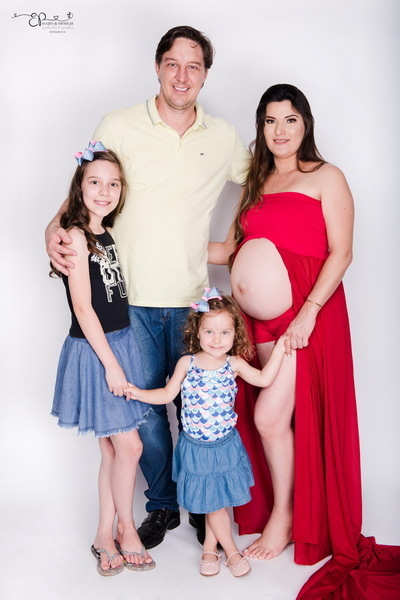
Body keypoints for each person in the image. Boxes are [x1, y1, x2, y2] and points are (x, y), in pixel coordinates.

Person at [45, 25, 249, 549]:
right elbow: (84, 189)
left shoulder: (223, 136)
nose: (182, 76)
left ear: (205, 74)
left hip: (192, 300)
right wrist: (51, 230)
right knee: (146, 412)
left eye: (193, 66)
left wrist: (236, 243)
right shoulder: (118, 124)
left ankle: (203, 503)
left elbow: (264, 182)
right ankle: (161, 505)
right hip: (128, 304)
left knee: (196, 408)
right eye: (173, 64)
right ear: (157, 67)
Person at [208, 84, 400, 598]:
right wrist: (160, 244)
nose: (280, 130)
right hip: (258, 326)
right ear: (261, 127)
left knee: (270, 418)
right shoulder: (256, 183)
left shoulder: (327, 176)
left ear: (305, 124)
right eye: (270, 121)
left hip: (304, 316)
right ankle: (290, 509)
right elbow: (229, 250)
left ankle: (286, 518)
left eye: (290, 119)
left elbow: (342, 252)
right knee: (279, 420)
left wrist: (309, 313)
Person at [124, 289, 289, 577]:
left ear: (235, 334)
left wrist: (279, 349)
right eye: (209, 331)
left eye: (224, 332)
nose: (216, 339)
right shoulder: (186, 363)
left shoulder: (233, 364)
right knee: (213, 504)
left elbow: (264, 378)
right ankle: (232, 552)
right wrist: (138, 393)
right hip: (196, 449)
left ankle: (210, 549)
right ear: (197, 331)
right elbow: (166, 394)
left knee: (216, 502)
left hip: (224, 446)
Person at [50, 143, 155, 576]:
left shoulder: (104, 232)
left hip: (119, 342)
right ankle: (126, 529)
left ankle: (102, 534)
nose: (104, 191)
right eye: (95, 182)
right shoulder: (75, 235)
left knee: (114, 449)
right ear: (80, 186)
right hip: (97, 351)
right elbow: (83, 307)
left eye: (113, 184)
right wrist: (112, 364)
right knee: (131, 445)